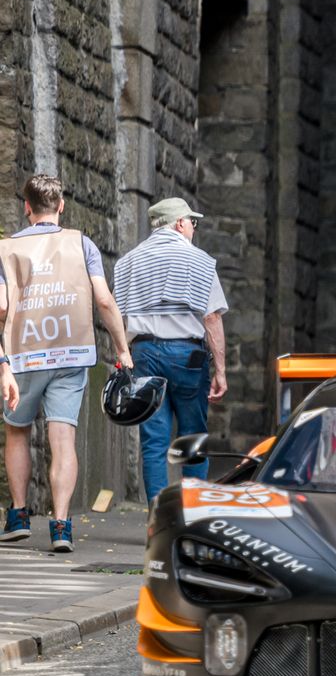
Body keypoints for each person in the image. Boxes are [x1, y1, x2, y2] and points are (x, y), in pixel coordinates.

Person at [0, 175, 135, 552]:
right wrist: (122, 349)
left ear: (27, 207)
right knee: (63, 437)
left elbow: (1, 307)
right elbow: (105, 301)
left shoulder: (6, 249)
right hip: (70, 353)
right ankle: (61, 526)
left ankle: (19, 517)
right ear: (61, 206)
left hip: (24, 354)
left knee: (18, 431)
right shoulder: (82, 244)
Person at [114, 197, 228, 503]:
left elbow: (117, 313)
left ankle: (157, 518)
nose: (194, 227)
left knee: (153, 441)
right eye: (193, 221)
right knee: (192, 437)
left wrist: (122, 351)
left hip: (145, 352)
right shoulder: (199, 260)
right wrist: (221, 370)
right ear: (179, 223)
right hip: (187, 355)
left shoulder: (129, 261)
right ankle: (190, 514)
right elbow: (212, 317)